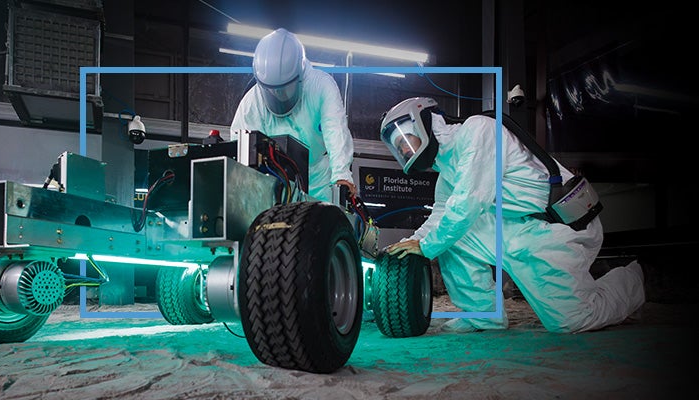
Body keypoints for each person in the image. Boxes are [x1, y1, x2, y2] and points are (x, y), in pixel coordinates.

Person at [380, 96, 645, 333]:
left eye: (405, 138)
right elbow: (442, 215)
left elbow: (469, 203)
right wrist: (410, 244)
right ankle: (482, 316)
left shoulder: (478, 130)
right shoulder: (448, 172)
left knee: (572, 320)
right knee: (451, 236)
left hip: (555, 228)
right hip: (515, 230)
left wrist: (425, 245)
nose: (404, 149)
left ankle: (632, 281)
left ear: (424, 121)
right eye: (397, 147)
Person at [230, 28, 356, 202]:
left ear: (299, 75)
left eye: (284, 89)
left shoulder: (321, 86)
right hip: (276, 181)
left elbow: (335, 130)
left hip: (319, 179)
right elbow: (240, 145)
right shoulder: (252, 101)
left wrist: (342, 176)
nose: (279, 95)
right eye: (272, 91)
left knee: (324, 222)